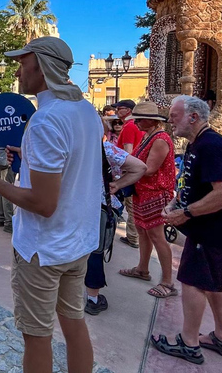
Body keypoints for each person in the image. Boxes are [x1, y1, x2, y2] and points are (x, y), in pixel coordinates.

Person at [0, 36, 102, 373]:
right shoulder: (87, 111)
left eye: (23, 62)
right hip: (78, 244)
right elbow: (72, 165)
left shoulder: (46, 120)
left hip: (42, 249)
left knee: (37, 337)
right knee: (74, 325)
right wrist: (28, 157)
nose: (18, 71)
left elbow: (44, 203)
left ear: (41, 67)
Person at [151, 95, 222, 364]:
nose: (169, 118)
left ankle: (189, 343)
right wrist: (176, 200)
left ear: (193, 117)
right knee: (215, 284)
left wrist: (185, 213)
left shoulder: (210, 147)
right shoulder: (201, 144)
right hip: (220, 231)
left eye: (174, 114)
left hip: (214, 232)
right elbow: (197, 182)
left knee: (193, 282)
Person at [118, 102, 177, 298]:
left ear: (150, 120)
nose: (135, 123)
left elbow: (149, 169)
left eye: (139, 119)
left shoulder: (160, 139)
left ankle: (167, 281)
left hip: (155, 193)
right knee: (144, 232)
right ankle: (142, 269)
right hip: (143, 192)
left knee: (157, 236)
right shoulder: (149, 137)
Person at [86, 140, 147, 315]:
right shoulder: (102, 147)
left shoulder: (62, 143)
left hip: (67, 206)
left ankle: (64, 294)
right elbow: (140, 168)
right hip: (97, 206)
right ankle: (93, 299)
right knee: (94, 252)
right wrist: (118, 185)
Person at [114, 99, 145, 249]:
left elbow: (127, 152)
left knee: (130, 206)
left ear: (128, 110)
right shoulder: (137, 126)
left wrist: (123, 176)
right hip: (139, 170)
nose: (117, 111)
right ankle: (135, 236)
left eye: (120, 108)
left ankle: (133, 237)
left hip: (129, 171)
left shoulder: (128, 127)